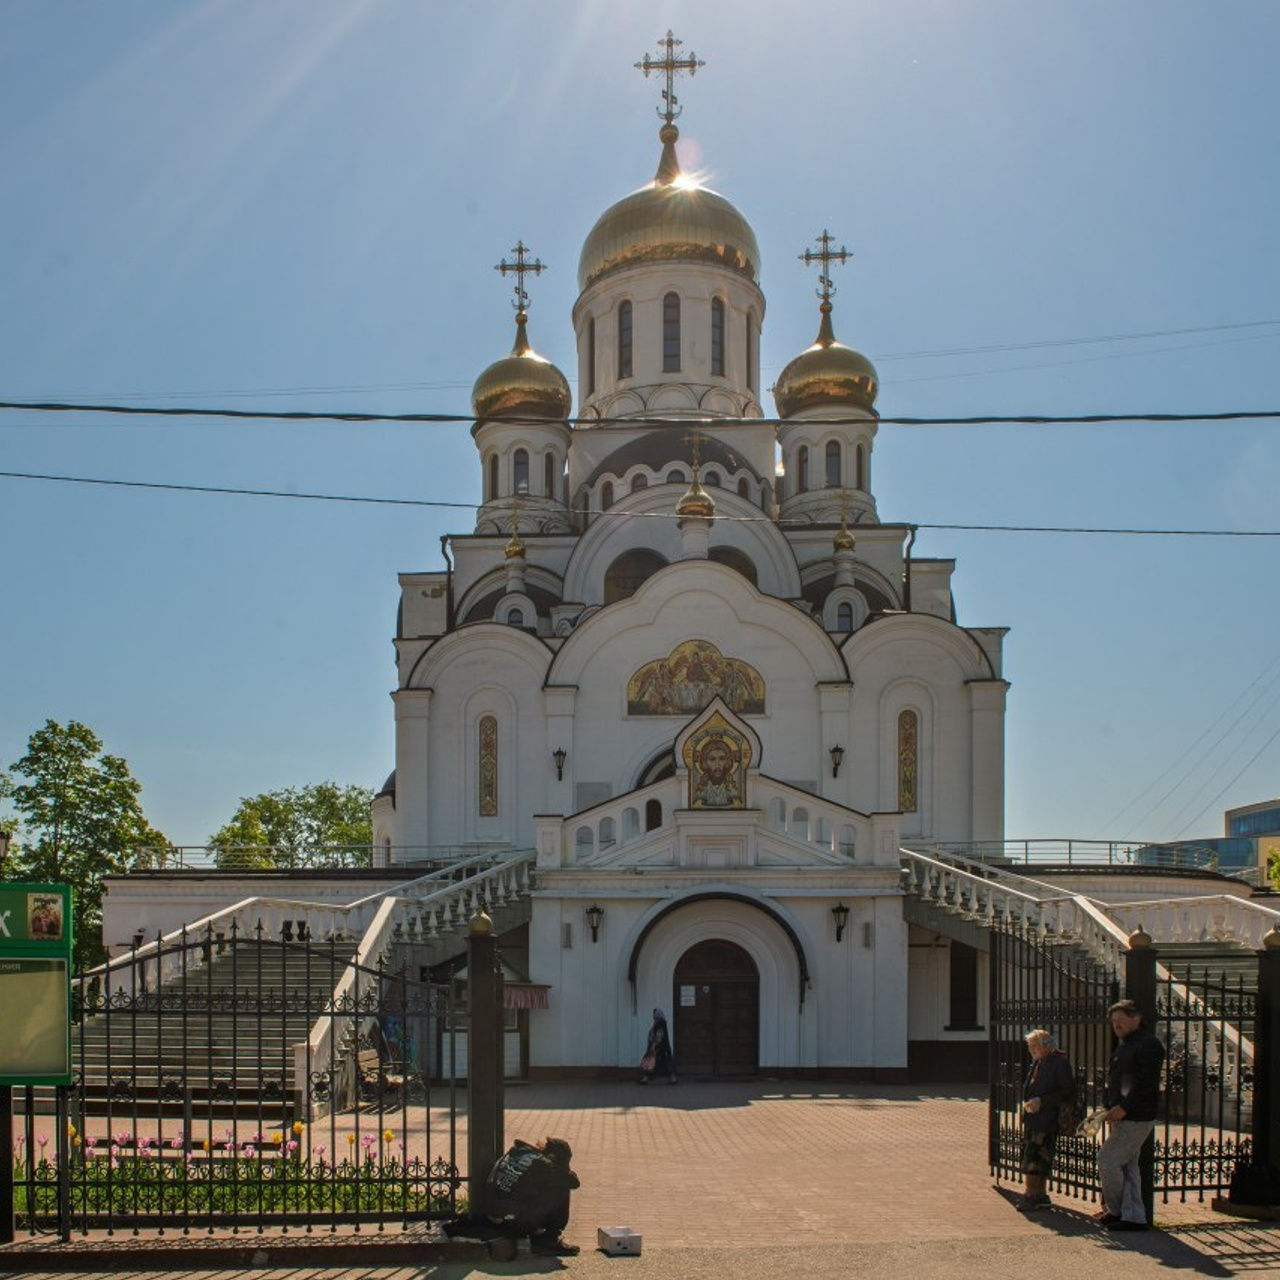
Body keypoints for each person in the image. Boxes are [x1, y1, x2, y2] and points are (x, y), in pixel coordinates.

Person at [1096, 998, 1165, 1231]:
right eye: (1113, 1021)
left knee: (1107, 1159)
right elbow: (1117, 1078)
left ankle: (1117, 1210)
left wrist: (1124, 1107)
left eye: (1121, 1020)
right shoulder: (1126, 1043)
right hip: (1124, 1115)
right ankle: (1133, 1216)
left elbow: (1145, 1083)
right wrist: (1109, 1105)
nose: (1116, 1024)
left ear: (1136, 1018)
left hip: (1136, 1116)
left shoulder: (1148, 1045)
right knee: (1128, 1166)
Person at [1016, 1029, 1075, 1211]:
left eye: (1035, 1045)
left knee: (1035, 1157)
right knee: (1035, 1155)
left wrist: (1042, 1101)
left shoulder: (1059, 1063)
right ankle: (1039, 1194)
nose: (1031, 1049)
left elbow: (1068, 1091)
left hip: (1047, 1118)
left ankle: (1031, 1194)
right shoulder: (1039, 1062)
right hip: (1034, 1118)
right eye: (1030, 1045)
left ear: (1047, 1046)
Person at [639, 1007, 676, 1084]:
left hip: (660, 1049)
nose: (653, 1016)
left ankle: (645, 1078)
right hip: (663, 1049)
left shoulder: (660, 1024)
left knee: (650, 1061)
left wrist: (653, 1045)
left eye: (654, 1014)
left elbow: (659, 1036)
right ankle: (672, 1079)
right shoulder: (661, 1023)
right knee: (662, 1063)